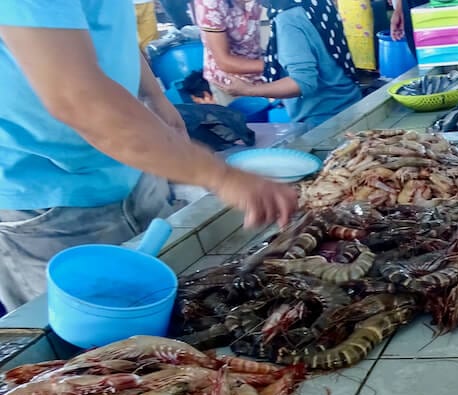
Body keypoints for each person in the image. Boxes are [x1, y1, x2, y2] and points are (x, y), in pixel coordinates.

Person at [0, 1, 297, 311]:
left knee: (175, 304)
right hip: (47, 202)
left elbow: (109, 29)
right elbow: (78, 100)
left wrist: (153, 95)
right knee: (86, 335)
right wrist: (221, 176)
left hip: (135, 165)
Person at [223, 0, 362, 127]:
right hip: (351, 104)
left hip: (325, 121)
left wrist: (248, 90)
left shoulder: (288, 18)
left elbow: (303, 82)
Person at [192, 0, 265, 105]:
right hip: (230, 82)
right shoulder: (210, 3)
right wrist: (272, 65)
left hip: (258, 72)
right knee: (240, 118)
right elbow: (224, 62)